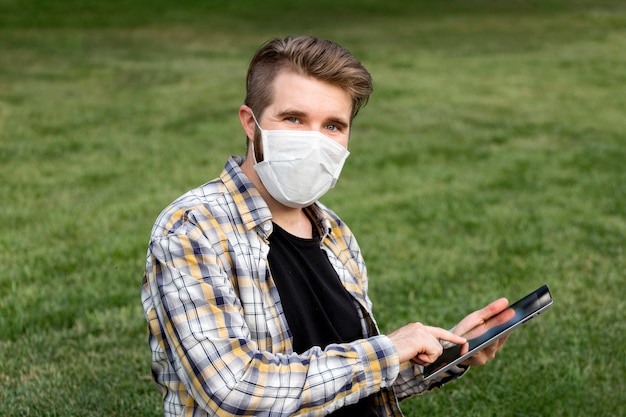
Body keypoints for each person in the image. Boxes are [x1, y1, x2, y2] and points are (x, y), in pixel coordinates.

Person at [141, 35, 510, 417]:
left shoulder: (335, 234)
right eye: (294, 119)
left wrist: (447, 353)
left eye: (333, 126)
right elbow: (233, 389)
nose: (314, 142)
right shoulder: (193, 229)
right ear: (251, 124)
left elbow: (351, 381)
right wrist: (386, 351)